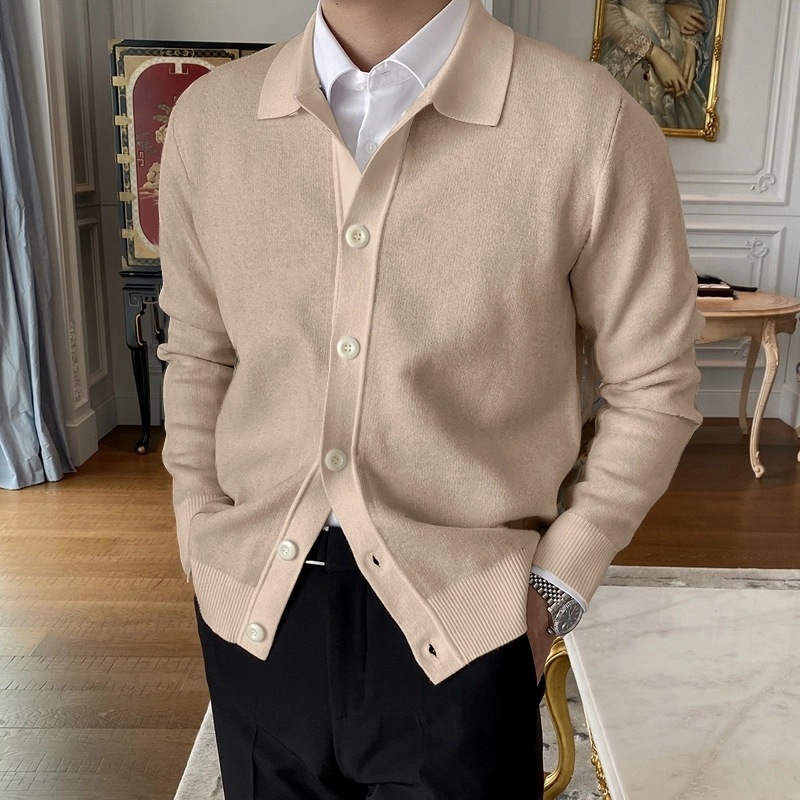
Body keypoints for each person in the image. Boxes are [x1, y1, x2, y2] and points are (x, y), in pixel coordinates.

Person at [156, 0, 706, 797]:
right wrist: (198, 529)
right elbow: (199, 354)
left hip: (470, 623)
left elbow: (655, 382)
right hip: (254, 611)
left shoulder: (590, 123)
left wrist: (560, 580)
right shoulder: (210, 121)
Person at [600, 0, 708, 128]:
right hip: (629, 47)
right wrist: (656, 55)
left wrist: (690, 45)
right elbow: (603, 11)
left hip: (671, 44)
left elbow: (688, 4)